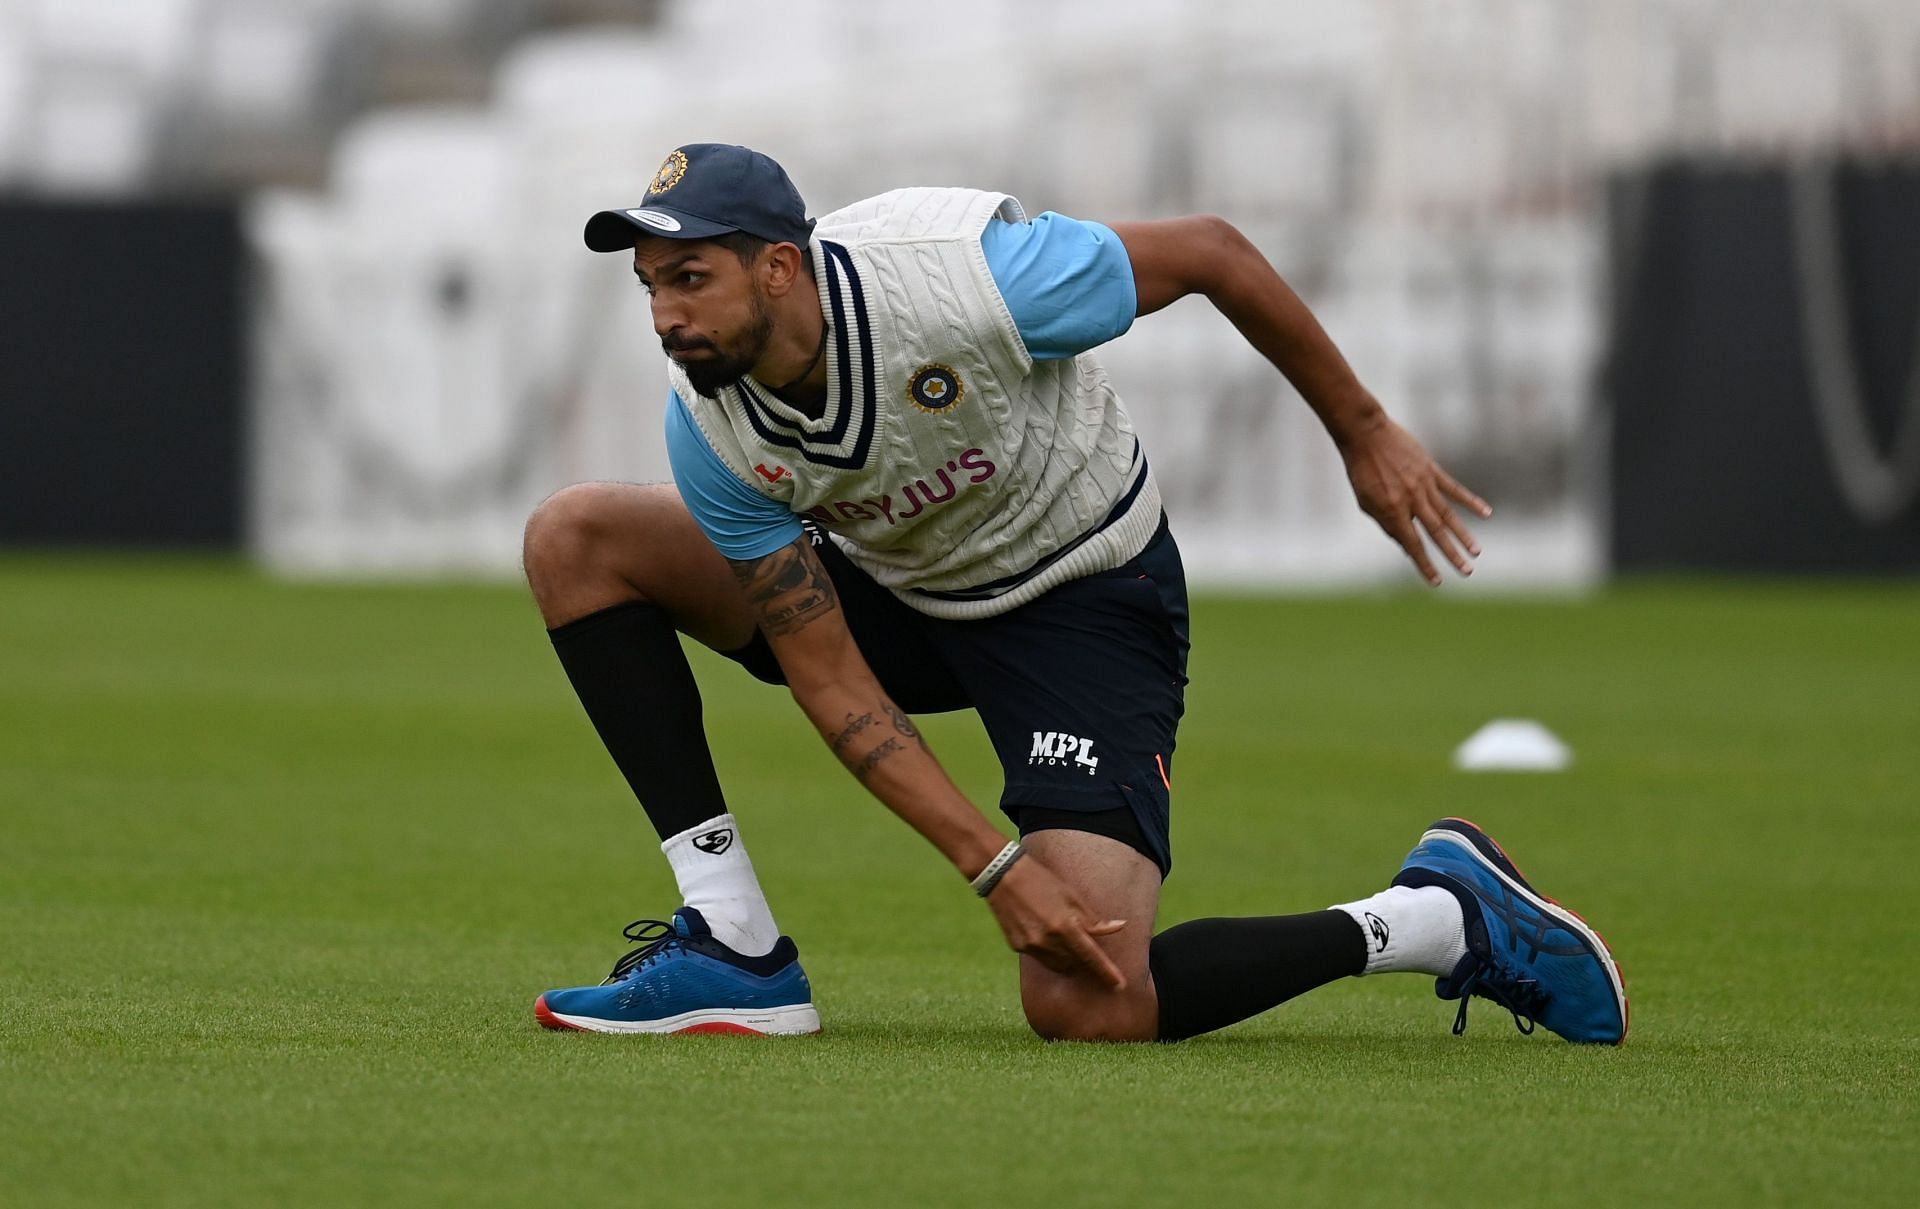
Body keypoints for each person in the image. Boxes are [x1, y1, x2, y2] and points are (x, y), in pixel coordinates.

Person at [522, 143, 1627, 1044]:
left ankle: (1435, 917)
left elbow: (1213, 254)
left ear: (777, 268)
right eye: (652, 289)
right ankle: (736, 947)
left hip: (1080, 599)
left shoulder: (967, 281)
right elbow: (836, 684)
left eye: (690, 279)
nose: (666, 319)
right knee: (577, 538)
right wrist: (992, 867)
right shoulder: (710, 428)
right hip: (897, 589)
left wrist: (1365, 431)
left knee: (1090, 1002)